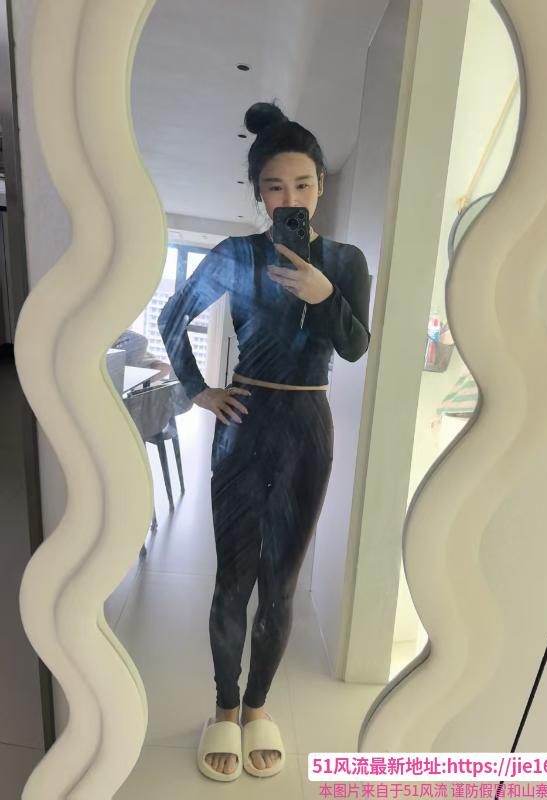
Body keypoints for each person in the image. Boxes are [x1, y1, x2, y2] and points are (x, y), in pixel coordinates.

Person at [158, 101, 371, 781]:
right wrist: (199, 390)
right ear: (259, 195)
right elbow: (172, 316)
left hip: (308, 428)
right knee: (233, 579)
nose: (291, 198)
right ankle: (225, 706)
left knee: (280, 584)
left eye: (303, 184)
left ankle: (257, 707)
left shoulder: (345, 261)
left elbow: (355, 346)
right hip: (243, 422)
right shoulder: (235, 256)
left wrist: (323, 294)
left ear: (321, 187)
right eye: (275, 187)